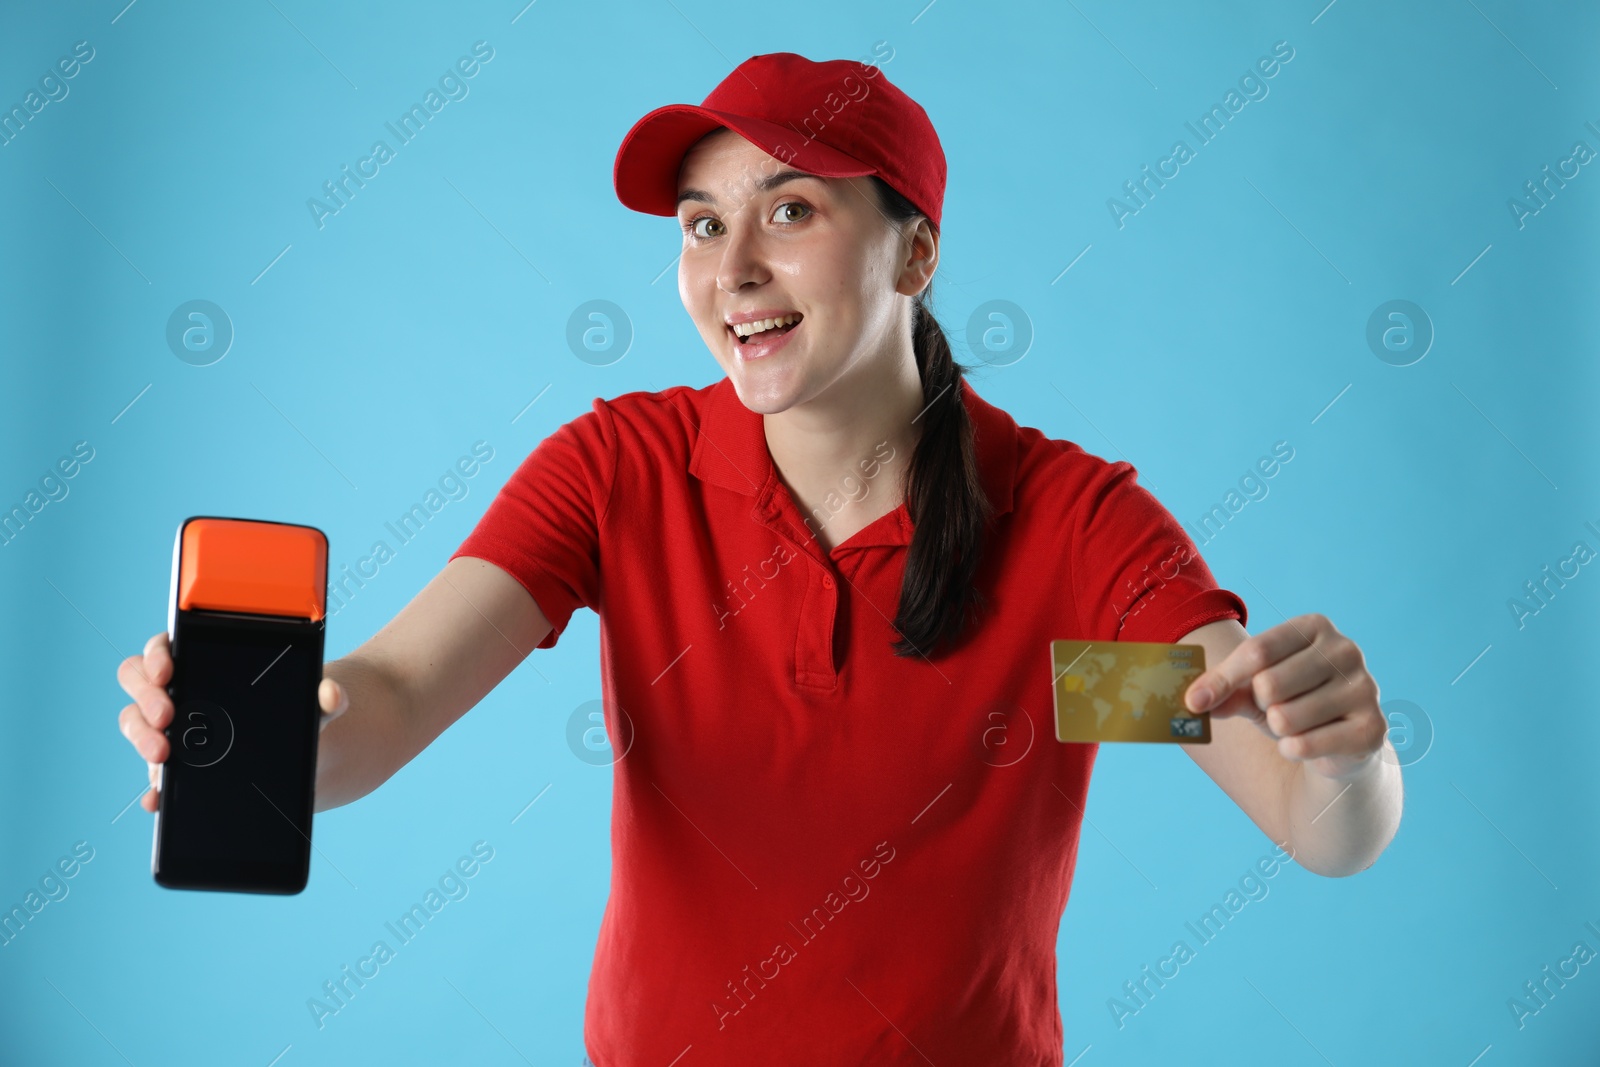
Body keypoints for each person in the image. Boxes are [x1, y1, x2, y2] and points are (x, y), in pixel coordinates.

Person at [116, 52, 1403, 1067]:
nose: (733, 269)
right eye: (697, 223)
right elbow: (386, 706)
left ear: (917, 250)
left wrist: (1345, 756)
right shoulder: (619, 471)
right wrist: (263, 736)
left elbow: (1307, 811)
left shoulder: (1067, 524)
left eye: (790, 210)